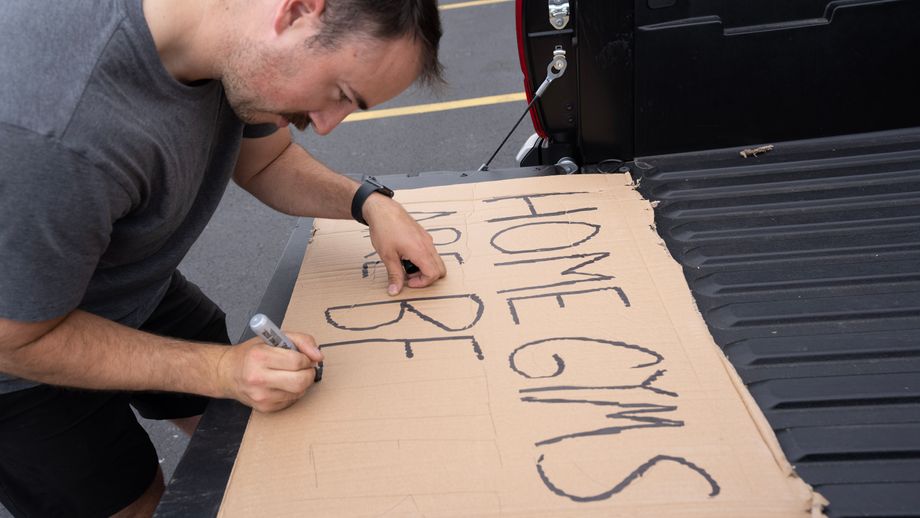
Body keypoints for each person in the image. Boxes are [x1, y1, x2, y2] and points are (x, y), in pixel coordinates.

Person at [0, 0, 446, 515]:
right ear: (297, 11)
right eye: (339, 93)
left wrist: (367, 204)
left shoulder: (230, 37)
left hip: (129, 277)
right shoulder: (53, 127)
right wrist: (219, 369)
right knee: (139, 501)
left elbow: (267, 161)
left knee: (240, 434)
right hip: (20, 359)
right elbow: (16, 338)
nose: (326, 125)